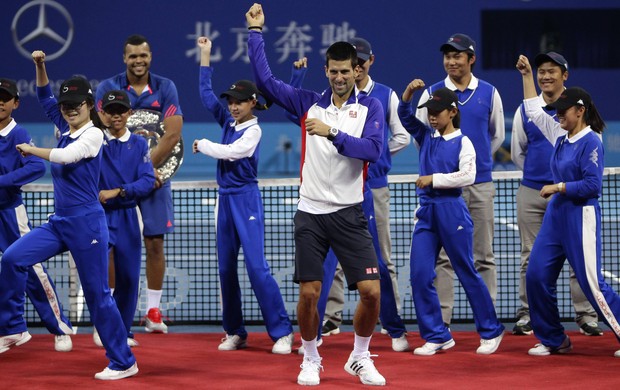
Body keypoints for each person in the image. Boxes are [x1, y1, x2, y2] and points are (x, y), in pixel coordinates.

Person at [246, 3, 386, 386]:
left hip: (349, 213)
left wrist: (333, 134)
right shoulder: (309, 102)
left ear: (356, 72)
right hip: (310, 214)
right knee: (310, 294)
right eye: (335, 71)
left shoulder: (370, 106)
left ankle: (359, 356)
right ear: (326, 71)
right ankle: (310, 358)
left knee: (372, 293)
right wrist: (256, 32)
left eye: (347, 71)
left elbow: (373, 151)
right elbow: (266, 81)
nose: (340, 77)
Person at [0, 51, 138, 380]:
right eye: (66, 105)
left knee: (97, 296)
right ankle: (15, 327)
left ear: (90, 106)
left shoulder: (92, 135)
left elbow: (65, 156)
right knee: (12, 258)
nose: (70, 108)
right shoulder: (65, 124)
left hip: (87, 224)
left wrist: (33, 151)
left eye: (77, 103)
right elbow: (45, 94)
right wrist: (39, 65)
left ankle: (123, 360)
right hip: (60, 222)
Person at [287, 37, 410, 353]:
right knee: (324, 272)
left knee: (380, 267)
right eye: (341, 68)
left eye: (362, 62)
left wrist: (380, 160)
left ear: (364, 65)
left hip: (370, 192)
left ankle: (393, 328)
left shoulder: (382, 98)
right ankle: (328, 320)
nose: (358, 68)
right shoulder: (321, 100)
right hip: (323, 202)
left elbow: (393, 139)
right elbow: (292, 105)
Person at [193, 36, 294, 354]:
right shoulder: (227, 119)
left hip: (246, 200)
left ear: (252, 103)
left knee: (256, 266)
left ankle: (281, 332)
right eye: (231, 101)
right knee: (225, 268)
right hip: (225, 201)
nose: (232, 105)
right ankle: (235, 331)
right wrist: (205, 56)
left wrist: (204, 145)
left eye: (239, 101)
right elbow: (206, 95)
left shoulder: (254, 130)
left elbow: (234, 153)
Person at [515, 54, 620, 357]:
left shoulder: (592, 141)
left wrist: (559, 186)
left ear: (580, 111)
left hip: (580, 214)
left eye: (563, 110)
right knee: (535, 275)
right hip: (556, 216)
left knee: (591, 284)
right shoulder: (561, 135)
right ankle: (553, 339)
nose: (557, 114)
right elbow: (535, 113)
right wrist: (525, 76)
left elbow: (592, 186)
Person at [399, 83, 505, 356]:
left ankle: (491, 330)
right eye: (429, 111)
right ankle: (437, 335)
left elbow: (468, 176)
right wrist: (408, 97)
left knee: (466, 270)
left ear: (452, 112)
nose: (432, 116)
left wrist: (434, 179)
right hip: (426, 214)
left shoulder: (464, 142)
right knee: (420, 274)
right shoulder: (425, 135)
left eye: (437, 111)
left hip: (452, 211)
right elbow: (406, 117)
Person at [96, 34, 183, 333]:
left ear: (150, 56)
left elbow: (172, 134)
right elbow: (100, 127)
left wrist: (144, 172)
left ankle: (153, 312)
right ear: (124, 58)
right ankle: (110, 313)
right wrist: (135, 177)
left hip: (155, 179)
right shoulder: (108, 87)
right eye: (132, 56)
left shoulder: (165, 87)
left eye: (143, 55)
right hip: (116, 180)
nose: (138, 60)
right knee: (111, 246)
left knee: (155, 242)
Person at [415, 33, 505, 325]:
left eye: (457, 56)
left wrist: (469, 167)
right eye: (447, 56)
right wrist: (446, 169)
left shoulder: (489, 92)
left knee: (484, 255)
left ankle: (487, 317)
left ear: (471, 59)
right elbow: (422, 137)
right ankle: (443, 319)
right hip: (443, 193)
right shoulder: (432, 93)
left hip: (479, 185)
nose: (451, 61)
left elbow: (497, 136)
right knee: (443, 258)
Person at [0, 78, 73, 353]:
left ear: (15, 103)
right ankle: (10, 329)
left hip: (9, 214)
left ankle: (59, 326)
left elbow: (36, 168)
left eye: (5, 97)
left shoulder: (19, 134)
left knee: (31, 269)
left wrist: (3, 181)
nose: (0, 101)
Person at [92, 89, 156, 347]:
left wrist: (119, 191)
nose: (116, 116)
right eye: (111, 111)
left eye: (121, 110)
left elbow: (148, 181)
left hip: (129, 216)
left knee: (129, 278)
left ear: (130, 113)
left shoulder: (140, 144)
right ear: (103, 114)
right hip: (99, 217)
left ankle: (122, 331)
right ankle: (103, 326)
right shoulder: (95, 141)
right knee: (100, 275)